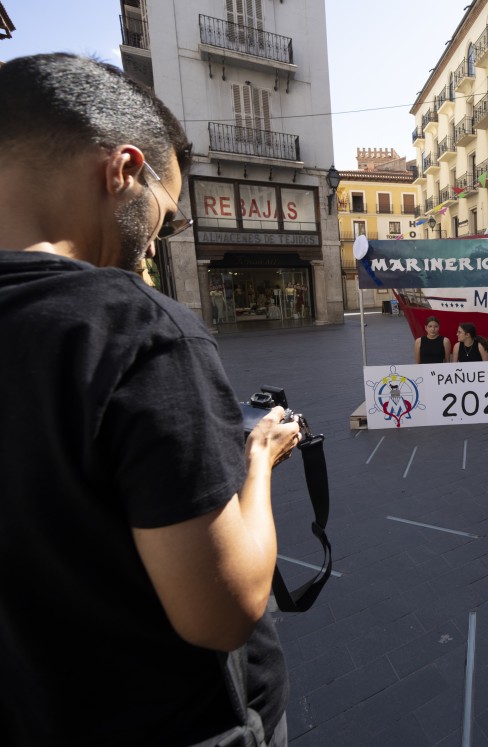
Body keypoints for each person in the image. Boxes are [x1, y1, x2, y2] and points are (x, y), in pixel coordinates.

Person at [0, 54, 300, 745]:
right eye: (163, 216)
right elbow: (225, 611)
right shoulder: (136, 329)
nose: (153, 245)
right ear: (124, 171)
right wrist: (257, 460)